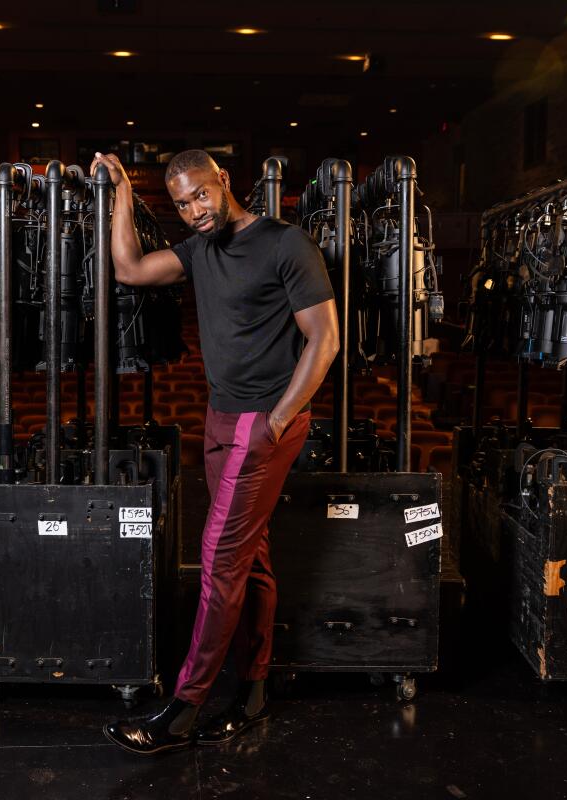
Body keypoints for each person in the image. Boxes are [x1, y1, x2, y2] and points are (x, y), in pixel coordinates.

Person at [92, 149, 339, 755]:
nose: (195, 210)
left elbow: (325, 339)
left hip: (263, 424)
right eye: (181, 203)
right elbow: (126, 268)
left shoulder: (287, 244)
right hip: (219, 418)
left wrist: (276, 421)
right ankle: (253, 693)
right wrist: (124, 189)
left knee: (217, 562)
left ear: (224, 181)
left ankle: (184, 707)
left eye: (201, 194)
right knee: (249, 559)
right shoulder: (199, 250)